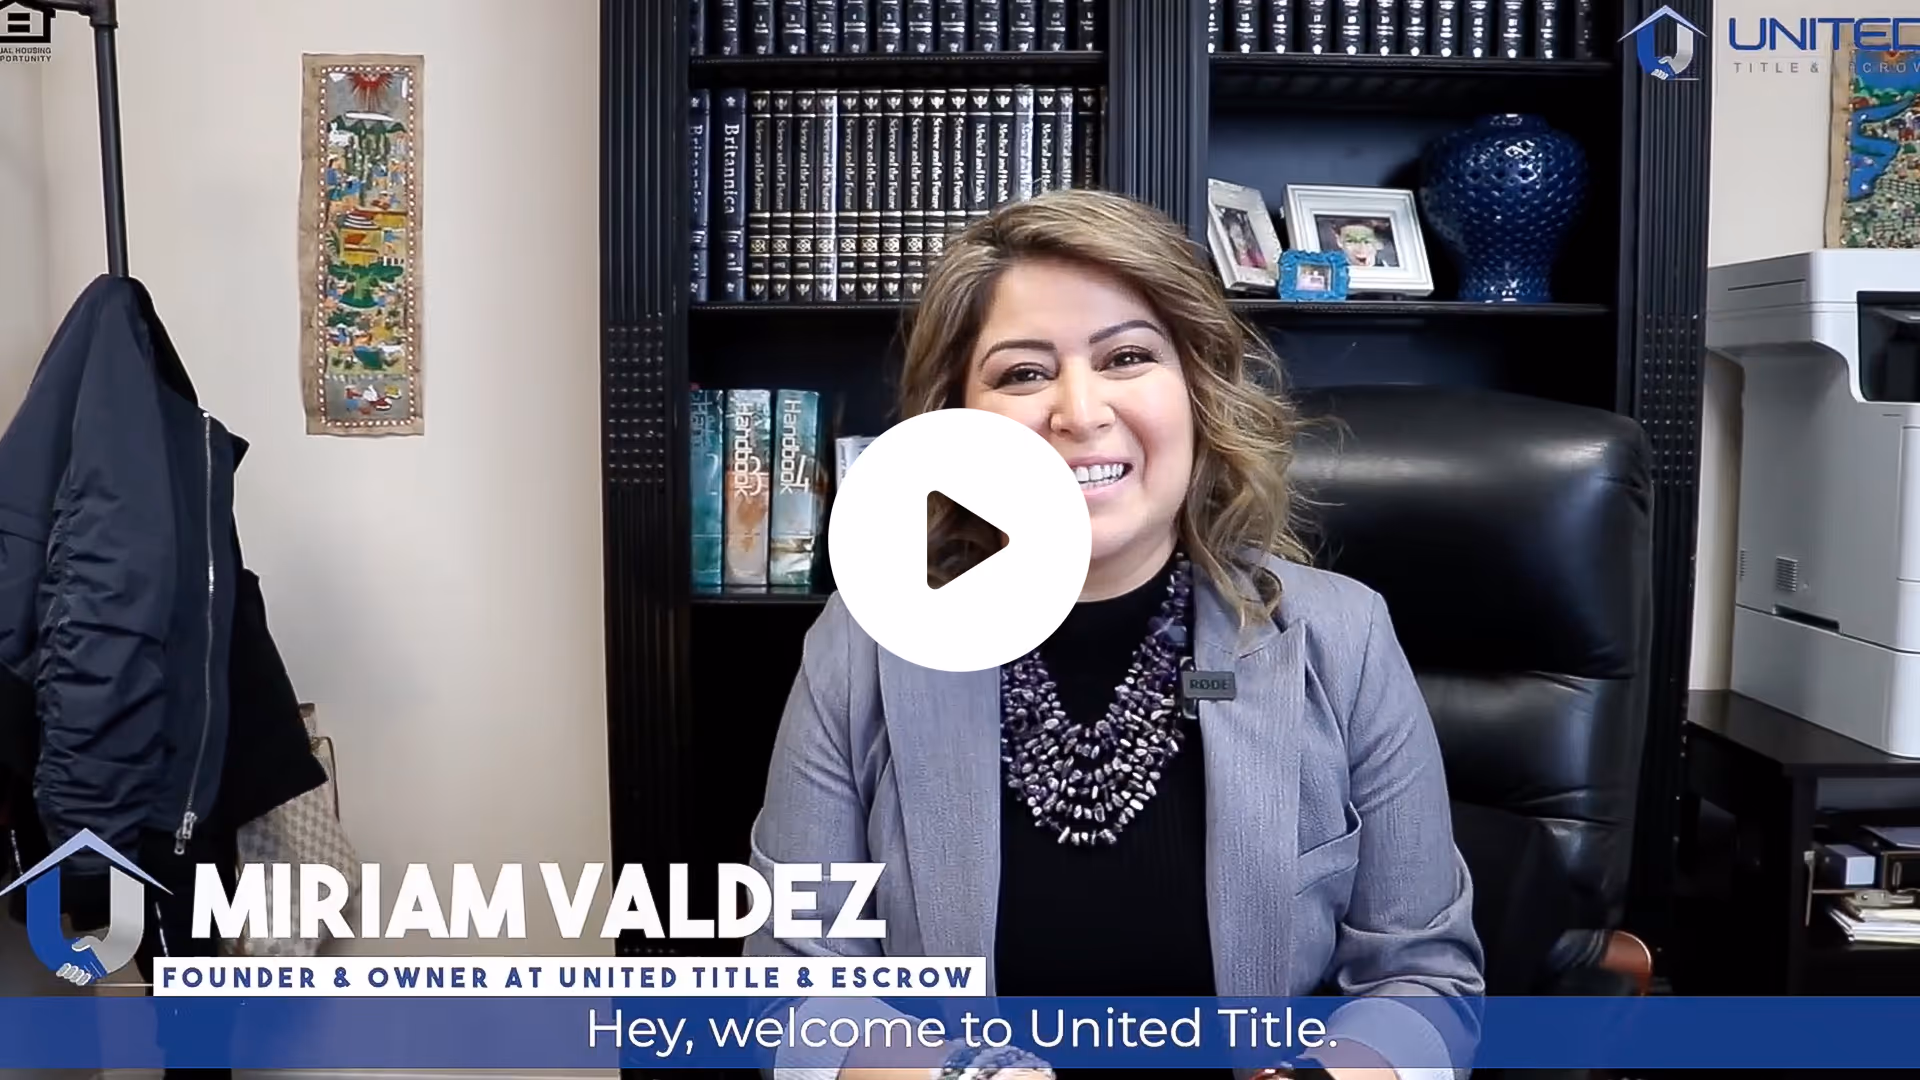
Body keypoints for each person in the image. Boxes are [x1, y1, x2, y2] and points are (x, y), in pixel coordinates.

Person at [743, 189, 1484, 1080]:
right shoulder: (864, 644)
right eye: (1023, 373)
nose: (1079, 412)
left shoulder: (1341, 636)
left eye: (1127, 357)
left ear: (1198, 391)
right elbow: (794, 984)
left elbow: (1425, 979)